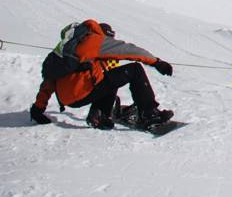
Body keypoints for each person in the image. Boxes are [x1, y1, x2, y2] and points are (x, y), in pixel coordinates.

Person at [29, 20, 174, 130]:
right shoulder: (95, 40)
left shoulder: (66, 48)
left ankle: (99, 116)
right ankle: (150, 115)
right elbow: (129, 50)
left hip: (68, 99)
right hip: (81, 92)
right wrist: (156, 62)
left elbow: (50, 79)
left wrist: (38, 109)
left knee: (108, 78)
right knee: (135, 69)